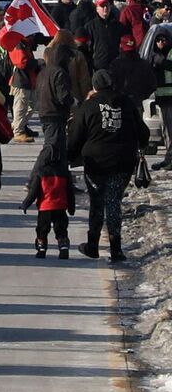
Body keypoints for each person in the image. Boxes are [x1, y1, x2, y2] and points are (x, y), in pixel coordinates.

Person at [67, 70, 149, 262]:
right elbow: (143, 132)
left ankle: (93, 245)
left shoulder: (88, 106)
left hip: (96, 162)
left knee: (97, 202)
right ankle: (116, 248)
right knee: (113, 201)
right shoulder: (127, 103)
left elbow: (75, 136)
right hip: (123, 161)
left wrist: (70, 157)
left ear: (94, 87)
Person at [22, 143, 77, 260]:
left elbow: (34, 192)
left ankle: (41, 249)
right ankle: (63, 248)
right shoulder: (65, 173)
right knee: (61, 229)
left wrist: (26, 203)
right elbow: (69, 192)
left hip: (45, 207)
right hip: (60, 207)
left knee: (42, 229)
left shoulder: (41, 173)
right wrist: (71, 208)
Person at [35, 36, 83, 157]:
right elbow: (63, 96)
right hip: (54, 114)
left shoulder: (44, 71)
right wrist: (75, 102)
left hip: (44, 111)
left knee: (56, 146)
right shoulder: (60, 73)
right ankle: (40, 171)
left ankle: (58, 171)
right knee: (52, 146)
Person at [109, 36, 155, 117]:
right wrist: (143, 96)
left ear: (121, 47)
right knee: (137, 126)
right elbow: (152, 84)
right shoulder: (143, 64)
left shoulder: (115, 65)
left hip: (121, 104)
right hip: (138, 103)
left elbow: (111, 85)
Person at [8, 37, 40, 143]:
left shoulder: (26, 45)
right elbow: (22, 62)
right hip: (21, 80)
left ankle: (17, 125)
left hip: (29, 80)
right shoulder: (18, 44)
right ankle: (18, 131)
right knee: (20, 107)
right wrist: (37, 63)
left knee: (33, 104)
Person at [85, 0, 127, 71]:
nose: (105, 8)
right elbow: (88, 48)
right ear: (97, 9)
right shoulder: (91, 26)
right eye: (102, 6)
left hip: (115, 65)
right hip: (98, 66)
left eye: (107, 6)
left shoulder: (117, 25)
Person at [152, 33, 172, 170]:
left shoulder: (168, 54)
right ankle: (169, 157)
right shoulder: (154, 55)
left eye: (163, 40)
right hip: (162, 98)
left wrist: (162, 62)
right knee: (167, 130)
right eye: (158, 40)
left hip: (170, 96)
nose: (161, 43)